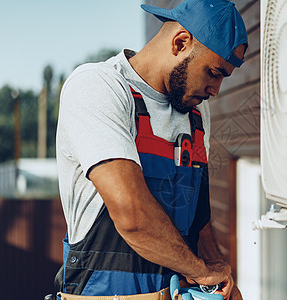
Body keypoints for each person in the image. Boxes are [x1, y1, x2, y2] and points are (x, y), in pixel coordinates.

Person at [54, 0, 247, 299]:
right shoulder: (99, 87)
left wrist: (216, 274)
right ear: (180, 43)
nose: (215, 90)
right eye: (213, 72)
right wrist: (199, 271)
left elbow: (198, 218)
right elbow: (132, 215)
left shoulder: (195, 114)